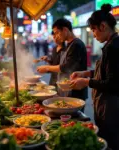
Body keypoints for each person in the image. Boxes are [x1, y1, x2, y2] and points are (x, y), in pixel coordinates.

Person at [70, 4, 119, 150]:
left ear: (103, 26)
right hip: (106, 108)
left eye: (93, 30)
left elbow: (113, 83)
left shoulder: (113, 47)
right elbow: (106, 72)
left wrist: (86, 82)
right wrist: (86, 73)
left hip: (112, 109)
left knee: (110, 144)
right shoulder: (110, 45)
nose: (93, 34)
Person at [37, 18, 87, 101]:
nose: (57, 36)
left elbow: (67, 67)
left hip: (75, 91)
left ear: (65, 30)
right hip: (67, 88)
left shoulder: (76, 44)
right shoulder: (69, 44)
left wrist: (47, 68)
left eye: (57, 32)